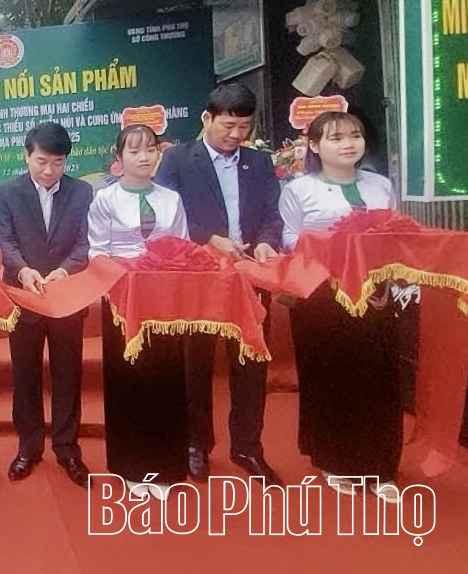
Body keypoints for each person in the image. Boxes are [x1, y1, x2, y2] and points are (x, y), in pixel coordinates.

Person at [156, 82, 284, 486]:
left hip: (250, 274)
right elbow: (168, 214)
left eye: (243, 127)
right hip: (201, 276)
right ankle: (196, 444)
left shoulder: (259, 163)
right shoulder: (178, 159)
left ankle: (248, 447)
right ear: (207, 119)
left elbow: (272, 214)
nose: (235, 135)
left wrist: (265, 242)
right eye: (228, 125)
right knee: (195, 363)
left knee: (250, 363)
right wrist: (209, 239)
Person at [279, 111, 401, 502]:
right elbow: (291, 240)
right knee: (332, 375)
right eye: (336, 138)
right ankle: (337, 458)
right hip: (322, 297)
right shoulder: (300, 189)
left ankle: (381, 463)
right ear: (314, 146)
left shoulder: (381, 186)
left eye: (355, 136)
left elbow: (397, 233)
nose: (349, 144)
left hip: (376, 295)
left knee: (379, 377)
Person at [88, 125, 190, 501]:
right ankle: (131, 466)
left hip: (164, 304)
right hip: (123, 303)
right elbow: (97, 252)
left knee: (164, 379)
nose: (144, 157)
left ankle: (165, 464)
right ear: (120, 158)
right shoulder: (105, 200)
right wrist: (129, 275)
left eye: (150, 149)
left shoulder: (171, 200)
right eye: (134, 151)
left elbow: (180, 248)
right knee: (128, 381)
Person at [0, 121, 94, 488]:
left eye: (57, 162)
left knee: (68, 374)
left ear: (67, 160)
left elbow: (86, 244)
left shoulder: (83, 192)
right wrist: (22, 271)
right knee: (25, 375)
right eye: (41, 161)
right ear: (27, 156)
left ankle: (67, 448)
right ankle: (28, 447)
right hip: (24, 299)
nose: (49, 170)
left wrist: (65, 272)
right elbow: (4, 241)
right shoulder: (7, 192)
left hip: (67, 299)